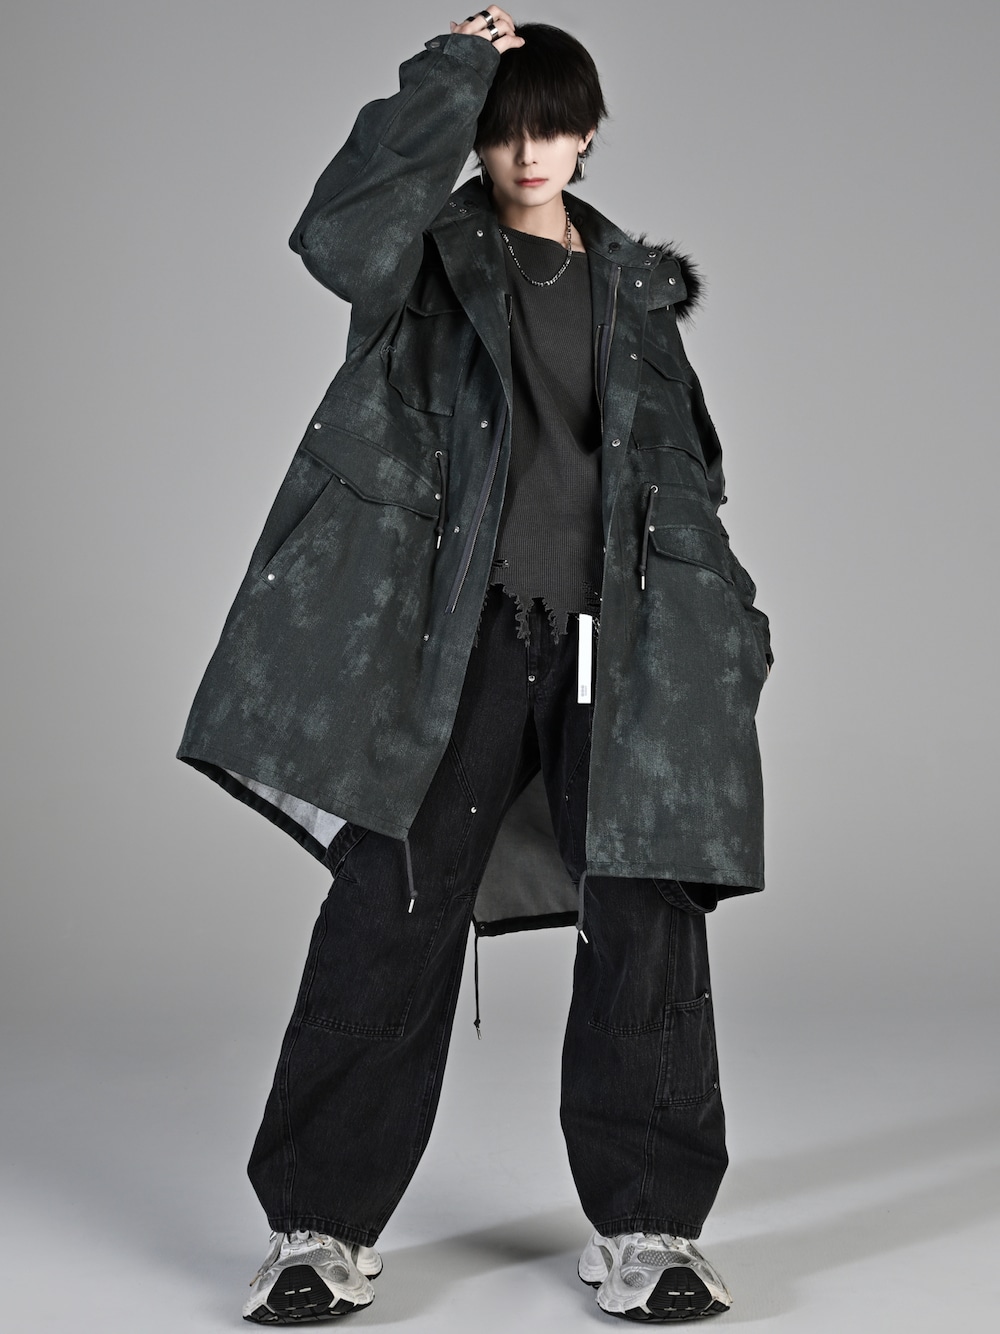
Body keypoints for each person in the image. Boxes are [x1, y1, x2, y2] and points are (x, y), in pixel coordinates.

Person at [176, 8, 774, 1323]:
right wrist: (450, 75)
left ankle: (652, 1228)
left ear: (589, 132)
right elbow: (336, 232)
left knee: (648, 920)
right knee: (392, 904)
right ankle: (318, 1229)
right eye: (503, 131)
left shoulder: (636, 294)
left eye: (548, 127)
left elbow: (686, 472)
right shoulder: (425, 260)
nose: (526, 152)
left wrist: (729, 619)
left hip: (618, 648)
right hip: (463, 634)